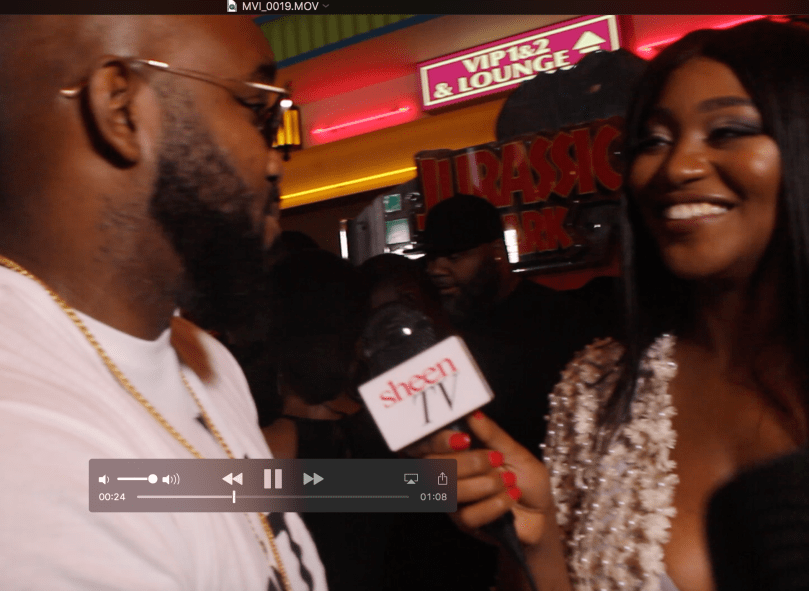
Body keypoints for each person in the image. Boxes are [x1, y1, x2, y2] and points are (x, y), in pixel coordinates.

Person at [413, 19, 809, 591]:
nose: (678, 166)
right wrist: (540, 536)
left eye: (728, 130)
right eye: (653, 141)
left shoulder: (555, 326)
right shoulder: (596, 388)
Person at [0, 16, 326, 591]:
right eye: (258, 111)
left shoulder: (203, 359)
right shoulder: (34, 464)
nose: (276, 161)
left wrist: (427, 487)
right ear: (121, 108)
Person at [423, 193, 615, 459]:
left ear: (497, 252)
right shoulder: (436, 330)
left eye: (454, 257)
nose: (436, 269)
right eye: (431, 259)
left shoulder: (561, 320)